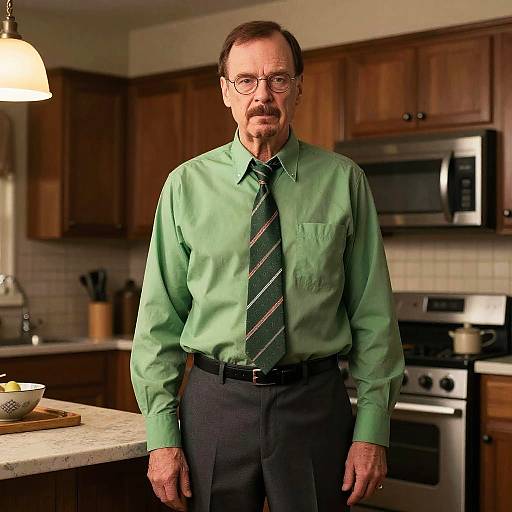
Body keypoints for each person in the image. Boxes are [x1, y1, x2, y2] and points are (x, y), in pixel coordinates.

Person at [130, 20, 404, 512]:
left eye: (278, 79)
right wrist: (161, 437)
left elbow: (374, 316)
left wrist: (372, 431)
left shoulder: (345, 183)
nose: (263, 95)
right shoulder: (184, 187)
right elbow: (158, 322)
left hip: (314, 405)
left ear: (298, 88)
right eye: (247, 81)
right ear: (226, 92)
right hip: (214, 404)